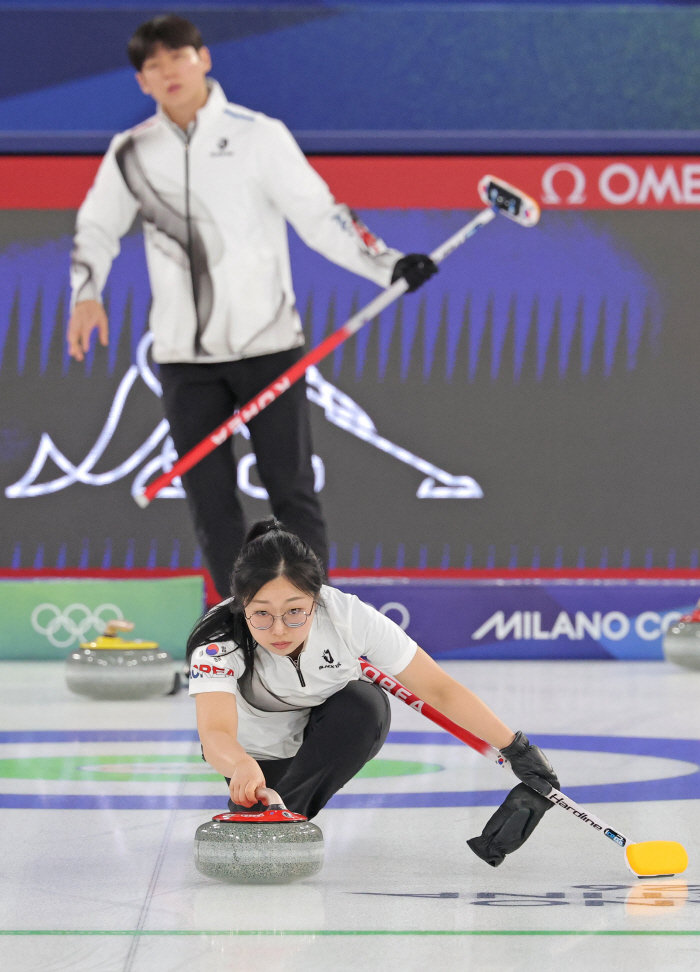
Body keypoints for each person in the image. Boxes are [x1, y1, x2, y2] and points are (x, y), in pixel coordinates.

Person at [65, 14, 438, 597]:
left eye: (178, 57)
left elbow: (321, 216)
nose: (169, 72)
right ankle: (245, 632)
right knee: (210, 503)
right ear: (141, 81)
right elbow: (96, 226)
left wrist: (386, 262)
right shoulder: (131, 152)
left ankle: (316, 633)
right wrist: (86, 293)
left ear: (204, 59)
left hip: (269, 347)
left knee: (290, 491)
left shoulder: (258, 135)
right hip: (184, 359)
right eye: (153, 65)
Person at [188, 517, 560, 867]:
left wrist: (516, 748)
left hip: (317, 750)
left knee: (365, 705)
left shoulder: (347, 616)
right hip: (251, 758)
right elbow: (215, 731)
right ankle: (266, 808)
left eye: (295, 611)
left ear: (317, 600)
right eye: (262, 614)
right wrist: (239, 765)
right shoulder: (218, 640)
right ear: (241, 605)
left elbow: (438, 688)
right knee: (257, 766)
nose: (280, 629)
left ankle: (286, 819)